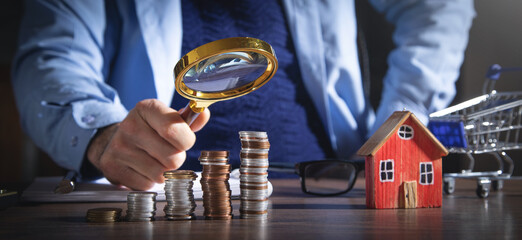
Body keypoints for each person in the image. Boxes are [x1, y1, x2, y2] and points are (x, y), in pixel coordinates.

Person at [12, 0, 475, 190]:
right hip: (163, 194)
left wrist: (399, 123)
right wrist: (103, 133)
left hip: (333, 188)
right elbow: (50, 55)